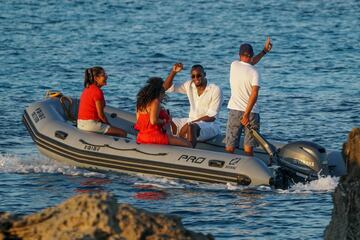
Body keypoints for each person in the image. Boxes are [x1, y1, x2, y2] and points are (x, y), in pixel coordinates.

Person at [224, 37, 272, 156]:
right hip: (252, 113)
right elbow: (254, 94)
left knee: (230, 147)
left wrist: (264, 51)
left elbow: (249, 62)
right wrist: (264, 51)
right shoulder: (255, 72)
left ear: (239, 55)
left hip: (235, 111)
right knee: (249, 150)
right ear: (251, 55)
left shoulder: (233, 65)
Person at [163, 63, 223, 147]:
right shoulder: (189, 85)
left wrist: (189, 125)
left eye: (199, 75)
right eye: (193, 76)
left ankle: (190, 151)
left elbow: (211, 117)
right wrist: (174, 72)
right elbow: (165, 87)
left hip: (210, 125)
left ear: (204, 75)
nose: (196, 78)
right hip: (191, 120)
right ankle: (167, 147)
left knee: (191, 127)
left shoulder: (215, 89)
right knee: (167, 121)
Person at [134, 77, 192, 147]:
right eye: (163, 92)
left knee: (175, 139)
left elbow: (139, 121)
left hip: (141, 136)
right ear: (160, 91)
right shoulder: (155, 102)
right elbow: (153, 121)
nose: (164, 95)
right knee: (188, 144)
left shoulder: (140, 102)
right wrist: (165, 120)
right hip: (154, 137)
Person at [77, 67, 127, 137]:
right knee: (123, 133)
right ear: (96, 78)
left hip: (81, 123)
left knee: (111, 130)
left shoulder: (87, 88)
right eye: (103, 75)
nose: (106, 77)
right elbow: (101, 115)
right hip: (90, 124)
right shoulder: (97, 91)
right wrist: (108, 125)